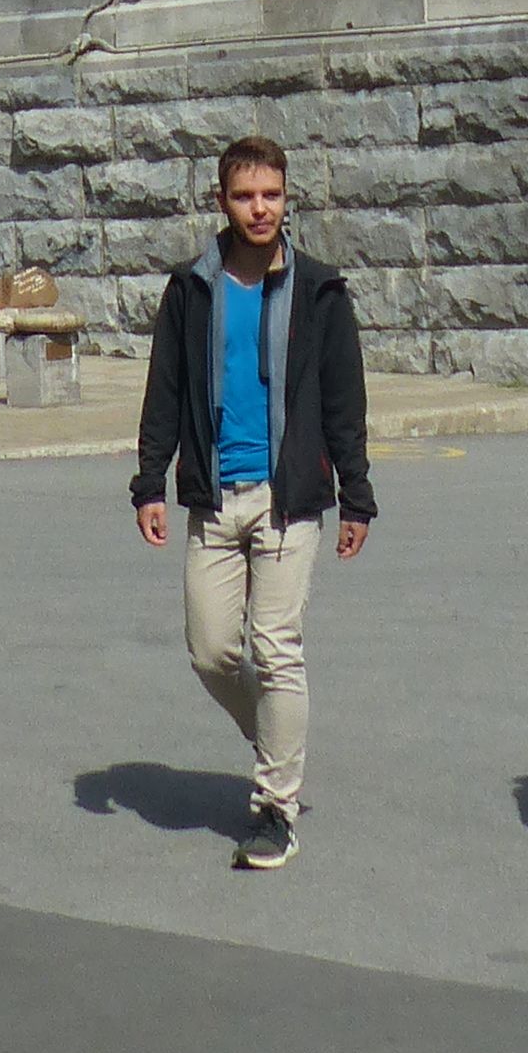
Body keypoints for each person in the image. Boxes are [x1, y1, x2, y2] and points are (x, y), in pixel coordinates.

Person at [131, 136, 374, 871]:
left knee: (276, 648)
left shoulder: (319, 291)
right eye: (244, 196)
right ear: (222, 202)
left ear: (286, 198)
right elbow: (165, 390)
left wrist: (356, 497)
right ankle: (276, 734)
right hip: (213, 498)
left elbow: (344, 401)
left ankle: (276, 808)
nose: (259, 209)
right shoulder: (192, 289)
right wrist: (150, 482)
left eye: (271, 195)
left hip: (287, 498)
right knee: (211, 651)